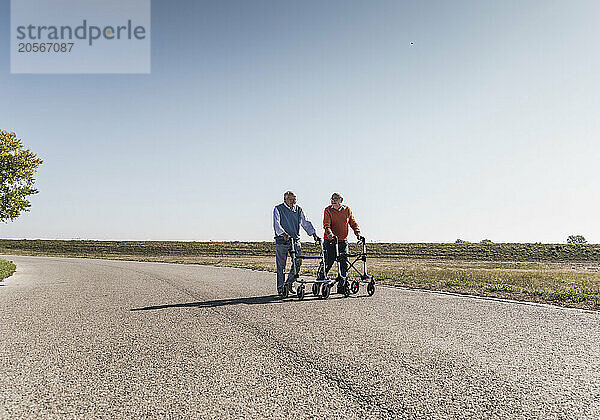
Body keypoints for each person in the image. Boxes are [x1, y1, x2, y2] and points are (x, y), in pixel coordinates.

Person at [273, 191, 319, 295]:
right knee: (281, 265)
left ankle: (289, 283)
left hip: (295, 240)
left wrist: (313, 233)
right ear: (285, 199)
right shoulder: (278, 209)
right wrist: (283, 233)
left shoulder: (298, 209)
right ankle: (281, 288)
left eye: (294, 199)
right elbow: (276, 224)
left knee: (298, 261)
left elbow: (305, 222)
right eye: (291, 199)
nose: (293, 202)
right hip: (282, 241)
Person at [322, 192, 363, 283]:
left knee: (344, 263)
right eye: (332, 199)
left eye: (336, 199)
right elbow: (326, 225)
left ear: (341, 200)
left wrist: (357, 233)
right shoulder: (328, 210)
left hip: (343, 241)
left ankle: (342, 283)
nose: (333, 200)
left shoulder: (347, 210)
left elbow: (352, 222)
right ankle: (320, 280)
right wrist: (330, 234)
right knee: (329, 262)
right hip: (330, 241)